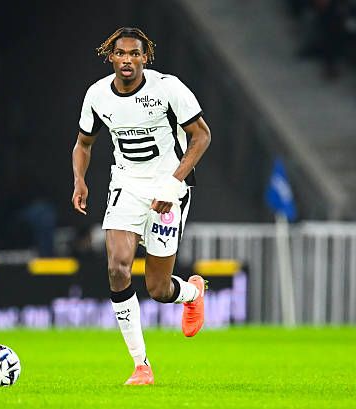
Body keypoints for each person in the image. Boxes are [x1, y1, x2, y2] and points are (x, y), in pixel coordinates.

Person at [71, 27, 212, 385]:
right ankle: (141, 366)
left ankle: (192, 292)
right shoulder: (97, 95)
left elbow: (201, 136)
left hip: (168, 185)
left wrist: (173, 183)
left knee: (158, 289)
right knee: (117, 268)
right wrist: (79, 180)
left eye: (135, 54)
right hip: (126, 185)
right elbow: (83, 143)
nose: (128, 60)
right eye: (121, 53)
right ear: (111, 57)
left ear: (145, 58)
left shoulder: (167, 88)